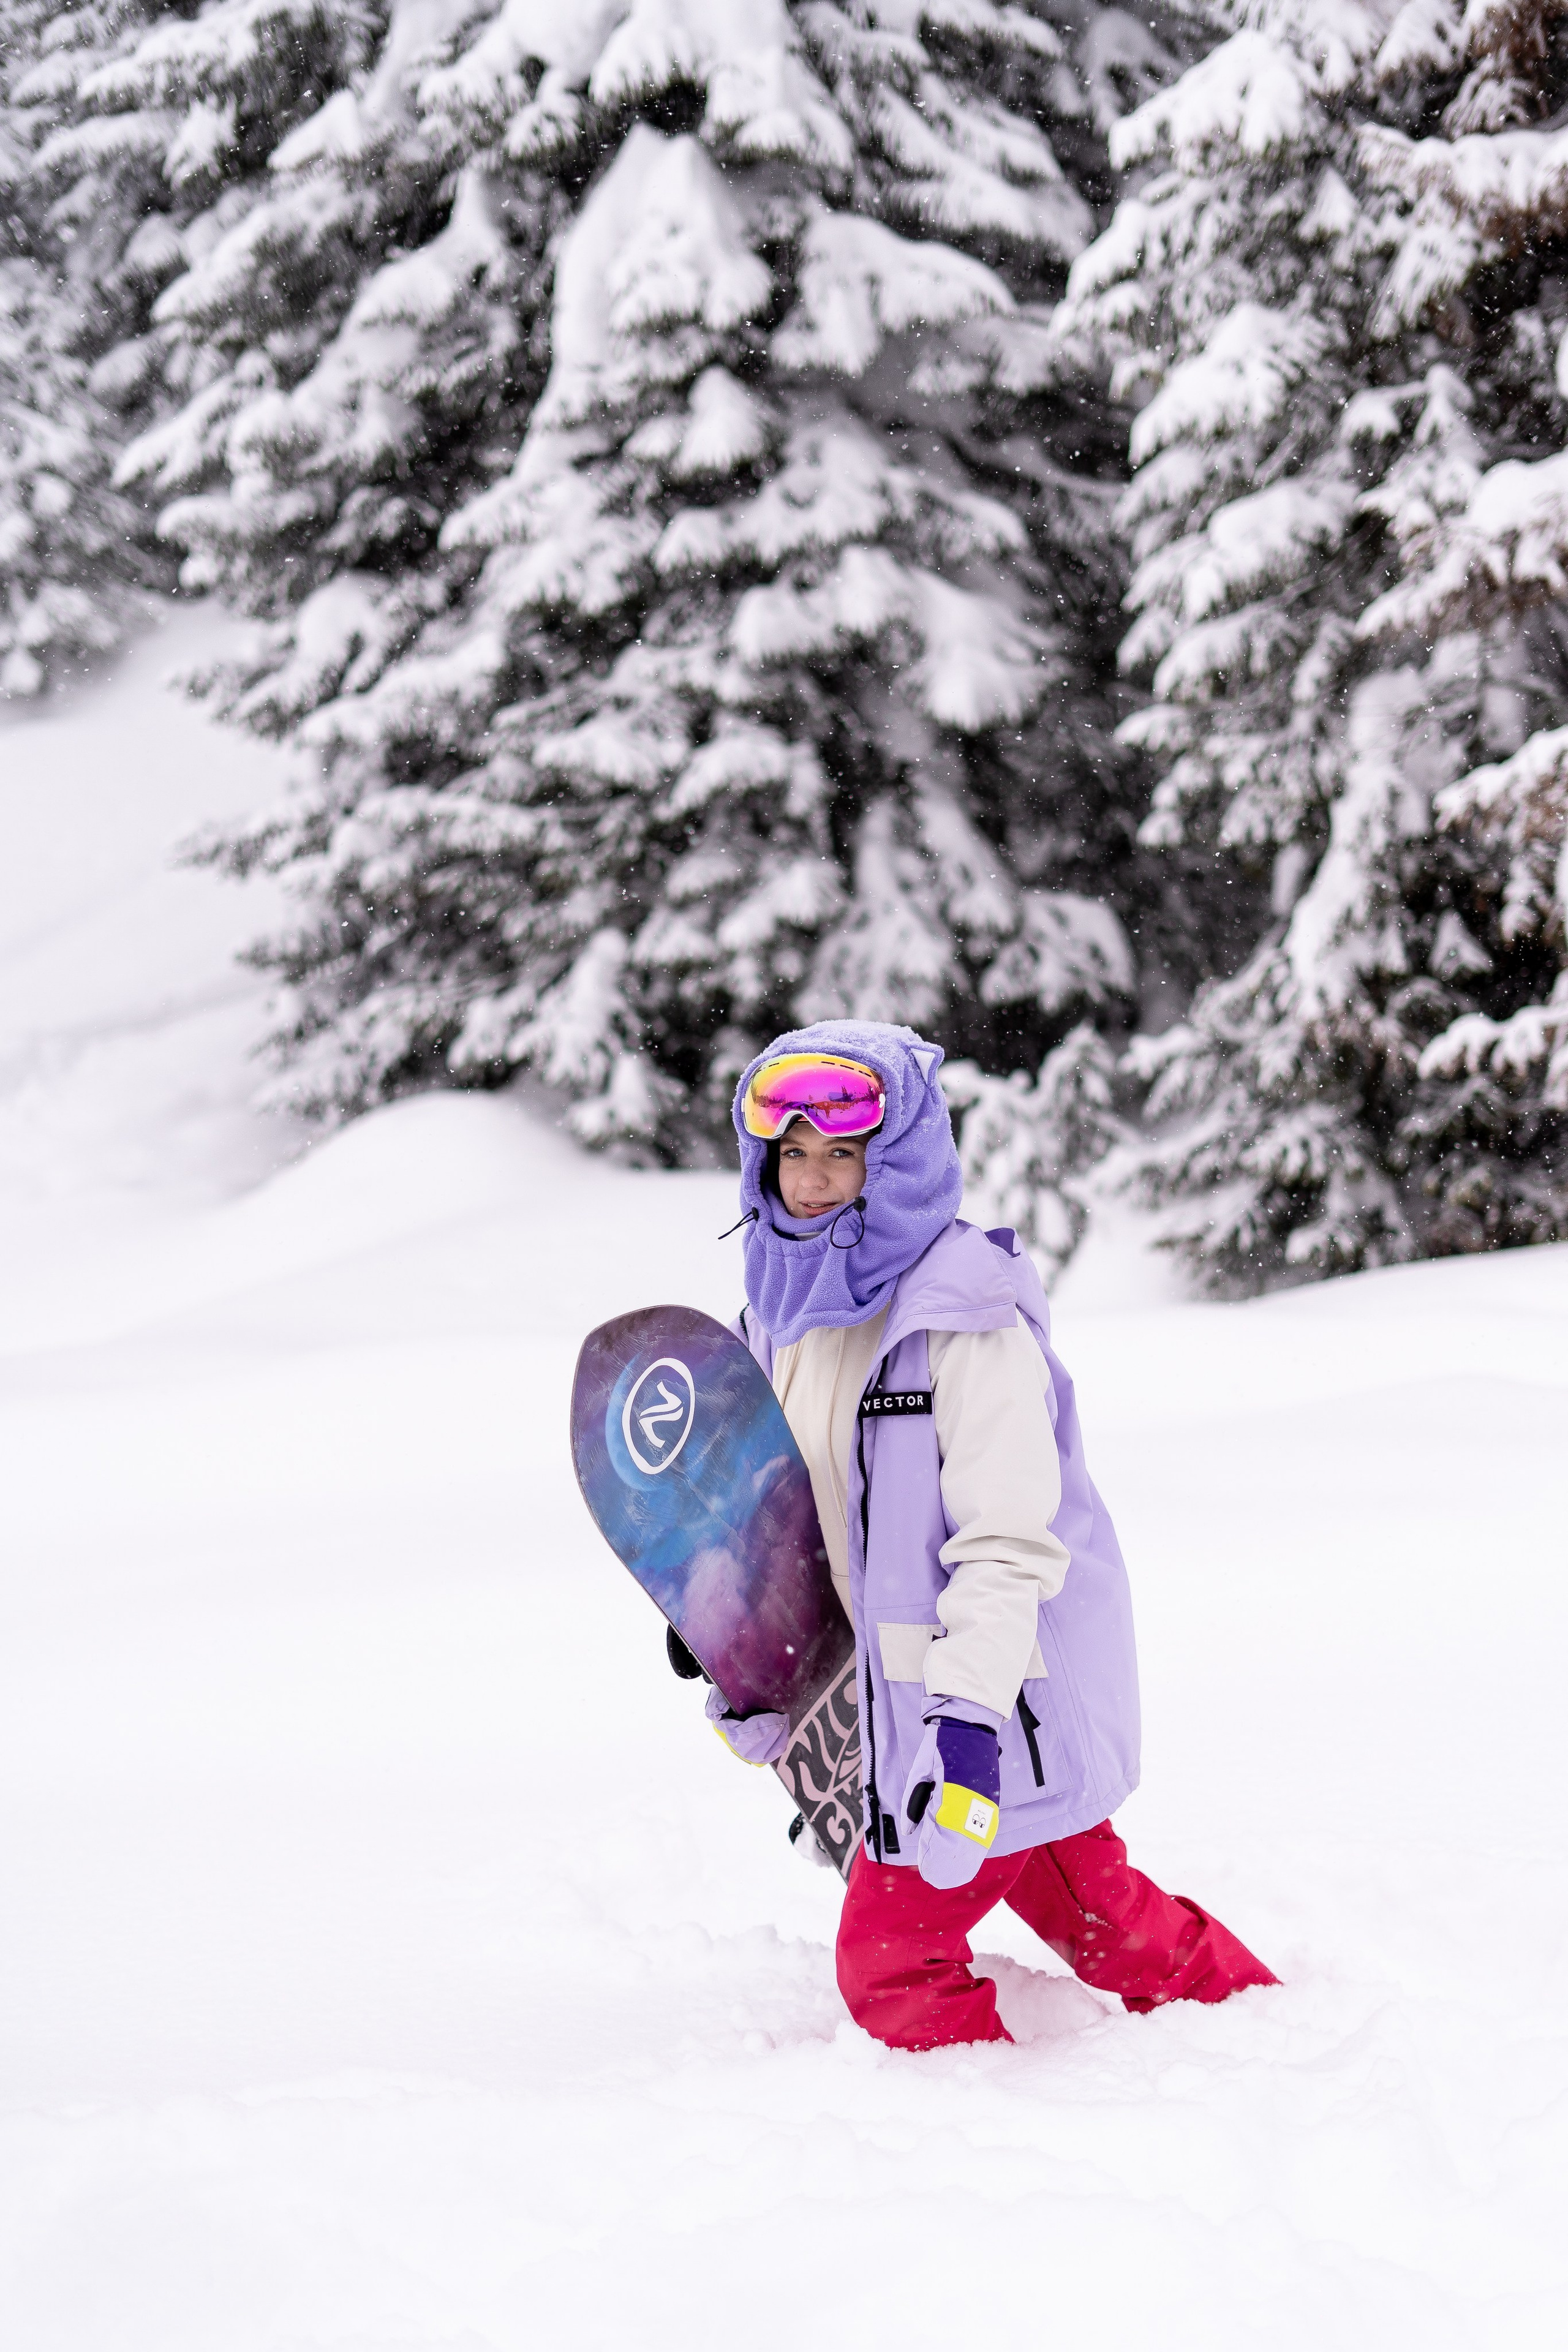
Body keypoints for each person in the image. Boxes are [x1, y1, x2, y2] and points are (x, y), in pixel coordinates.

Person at [705, 1017, 1276, 2051]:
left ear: (900, 1162)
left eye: (844, 1154)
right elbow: (804, 1517)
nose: (815, 1181)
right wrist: (734, 1622)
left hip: (990, 1704)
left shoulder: (963, 1318)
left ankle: (985, 2126)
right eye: (793, 1154)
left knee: (890, 1962)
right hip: (901, 1708)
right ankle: (1261, 2020)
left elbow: (1007, 1541)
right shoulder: (779, 1317)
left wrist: (966, 1724)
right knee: (1106, 1921)